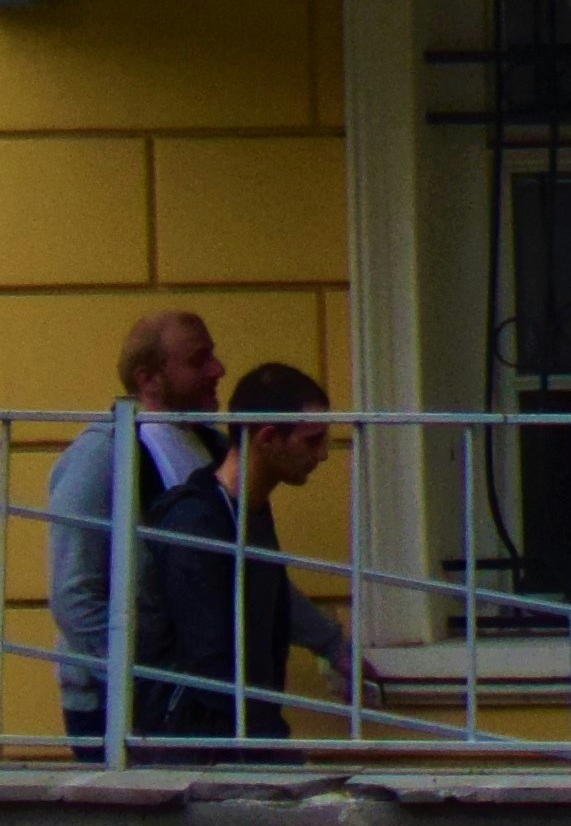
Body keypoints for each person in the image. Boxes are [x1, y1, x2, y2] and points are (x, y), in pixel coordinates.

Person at [37, 308, 239, 760]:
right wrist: (141, 683)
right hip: (118, 706)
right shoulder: (101, 458)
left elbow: (247, 563)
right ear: (149, 379)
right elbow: (74, 597)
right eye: (198, 360)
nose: (217, 370)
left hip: (196, 695)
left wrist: (329, 644)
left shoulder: (213, 447)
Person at [211, 366, 356, 757]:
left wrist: (331, 644)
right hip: (212, 741)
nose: (324, 454)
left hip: (248, 727)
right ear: (269, 439)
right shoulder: (201, 518)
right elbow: (200, 651)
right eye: (312, 441)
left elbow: (269, 590)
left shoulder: (249, 509)